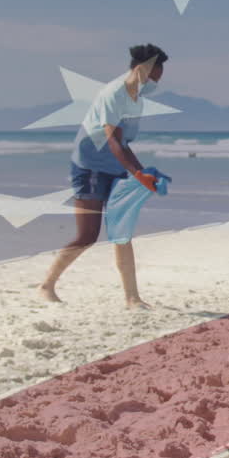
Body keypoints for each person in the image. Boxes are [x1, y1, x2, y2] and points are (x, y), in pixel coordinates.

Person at [38, 43, 169, 309]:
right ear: (141, 69)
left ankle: (132, 298)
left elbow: (125, 144)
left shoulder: (138, 100)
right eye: (154, 76)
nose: (155, 83)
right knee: (88, 235)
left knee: (122, 232)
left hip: (115, 165)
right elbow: (113, 142)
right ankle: (46, 286)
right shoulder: (113, 94)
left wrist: (143, 173)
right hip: (90, 166)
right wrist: (138, 174)